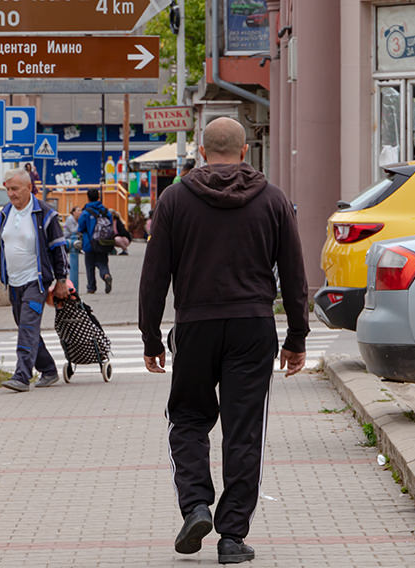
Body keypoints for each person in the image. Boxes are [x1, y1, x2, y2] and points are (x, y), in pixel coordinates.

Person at [138, 117, 310, 564]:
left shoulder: (175, 199)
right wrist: (296, 336)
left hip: (195, 325)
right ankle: (232, 537)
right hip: (253, 326)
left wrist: (151, 337)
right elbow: (294, 274)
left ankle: (196, 504)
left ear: (201, 151)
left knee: (188, 418)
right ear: (245, 150)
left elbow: (154, 275)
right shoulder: (273, 200)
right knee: (244, 430)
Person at [0, 168, 70, 392]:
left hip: (36, 281)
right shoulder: (5, 213)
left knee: (27, 327)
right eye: (8, 190)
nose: (11, 194)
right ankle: (48, 370)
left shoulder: (45, 214)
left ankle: (22, 376)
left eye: (15, 189)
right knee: (26, 328)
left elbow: (59, 249)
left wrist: (61, 280)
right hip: (13, 283)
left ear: (29, 188)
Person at [77, 188, 114, 294]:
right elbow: (111, 225)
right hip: (103, 242)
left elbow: (80, 227)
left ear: (88, 198)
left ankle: (91, 287)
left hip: (89, 243)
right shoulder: (106, 211)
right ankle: (106, 275)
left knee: (90, 266)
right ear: (98, 197)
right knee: (103, 263)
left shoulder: (86, 212)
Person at [63, 206, 82, 291]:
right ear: (73, 212)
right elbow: (73, 231)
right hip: (68, 239)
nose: (80, 212)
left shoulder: (76, 219)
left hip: (74, 239)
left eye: (80, 210)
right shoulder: (70, 219)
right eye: (78, 210)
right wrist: (81, 223)